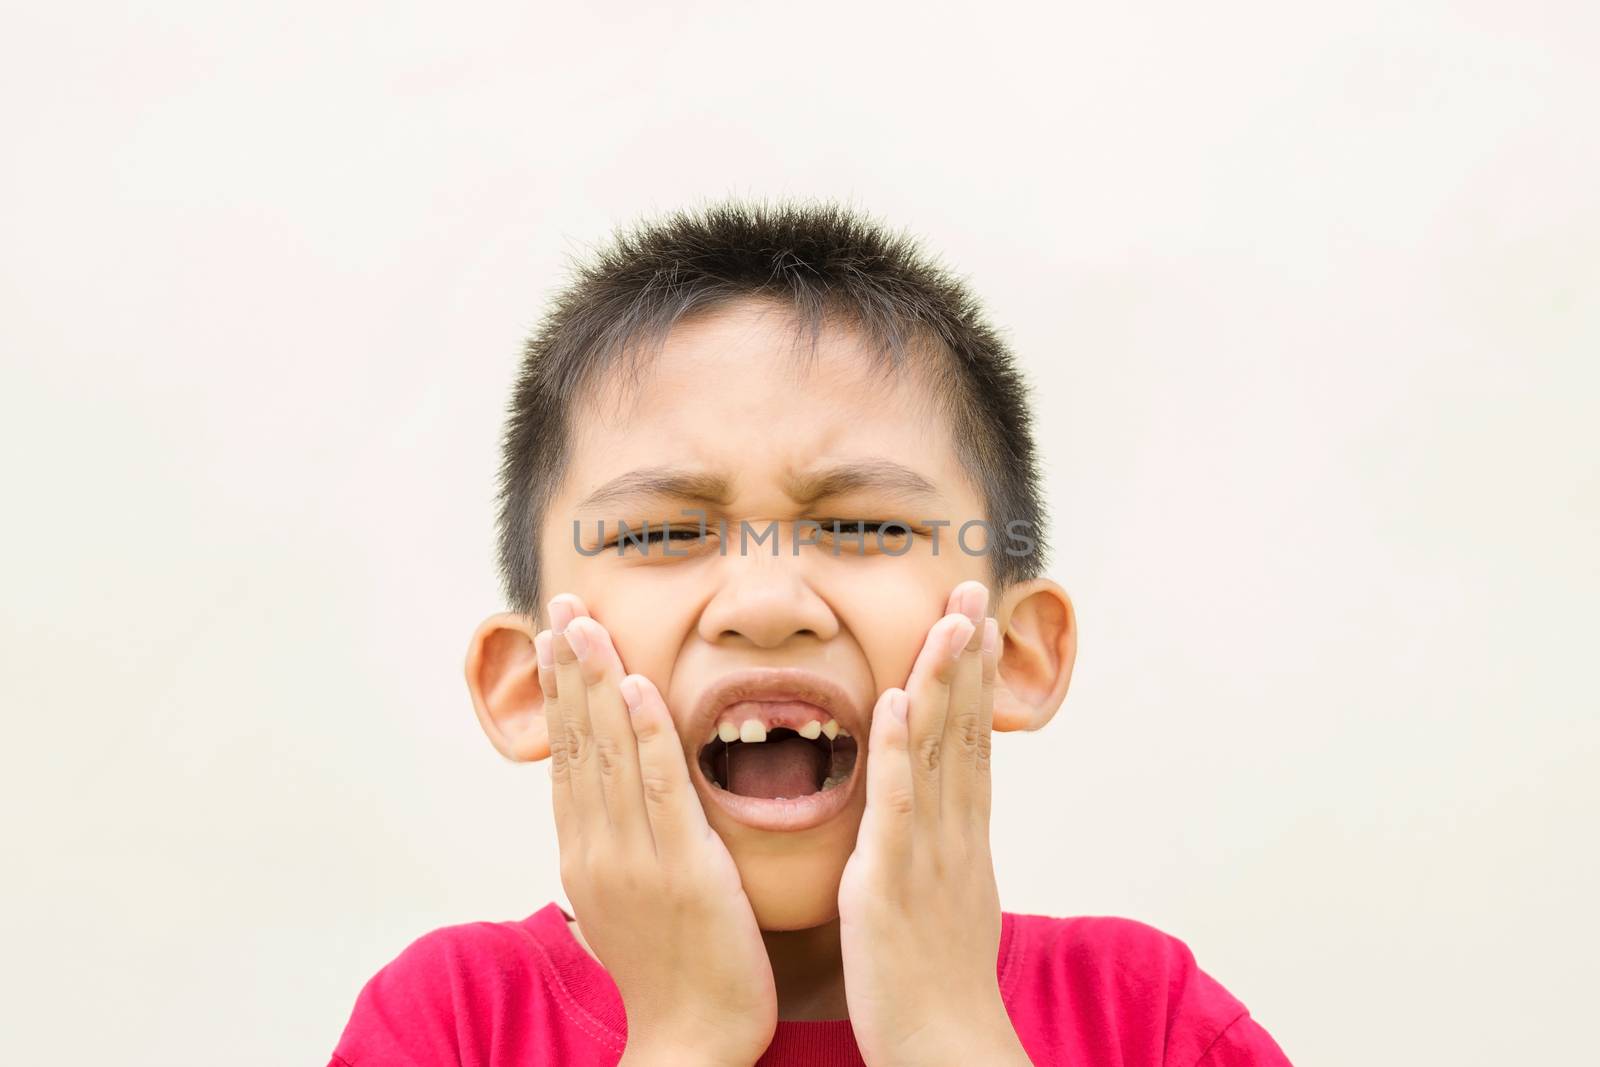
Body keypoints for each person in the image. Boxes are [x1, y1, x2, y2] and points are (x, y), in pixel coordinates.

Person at [326, 199, 1294, 1066]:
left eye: (866, 525)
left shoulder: (1149, 1019)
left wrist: (944, 1032)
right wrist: (686, 1035)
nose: (766, 600)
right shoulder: (446, 1025)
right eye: (661, 532)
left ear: (1018, 655)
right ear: (526, 683)